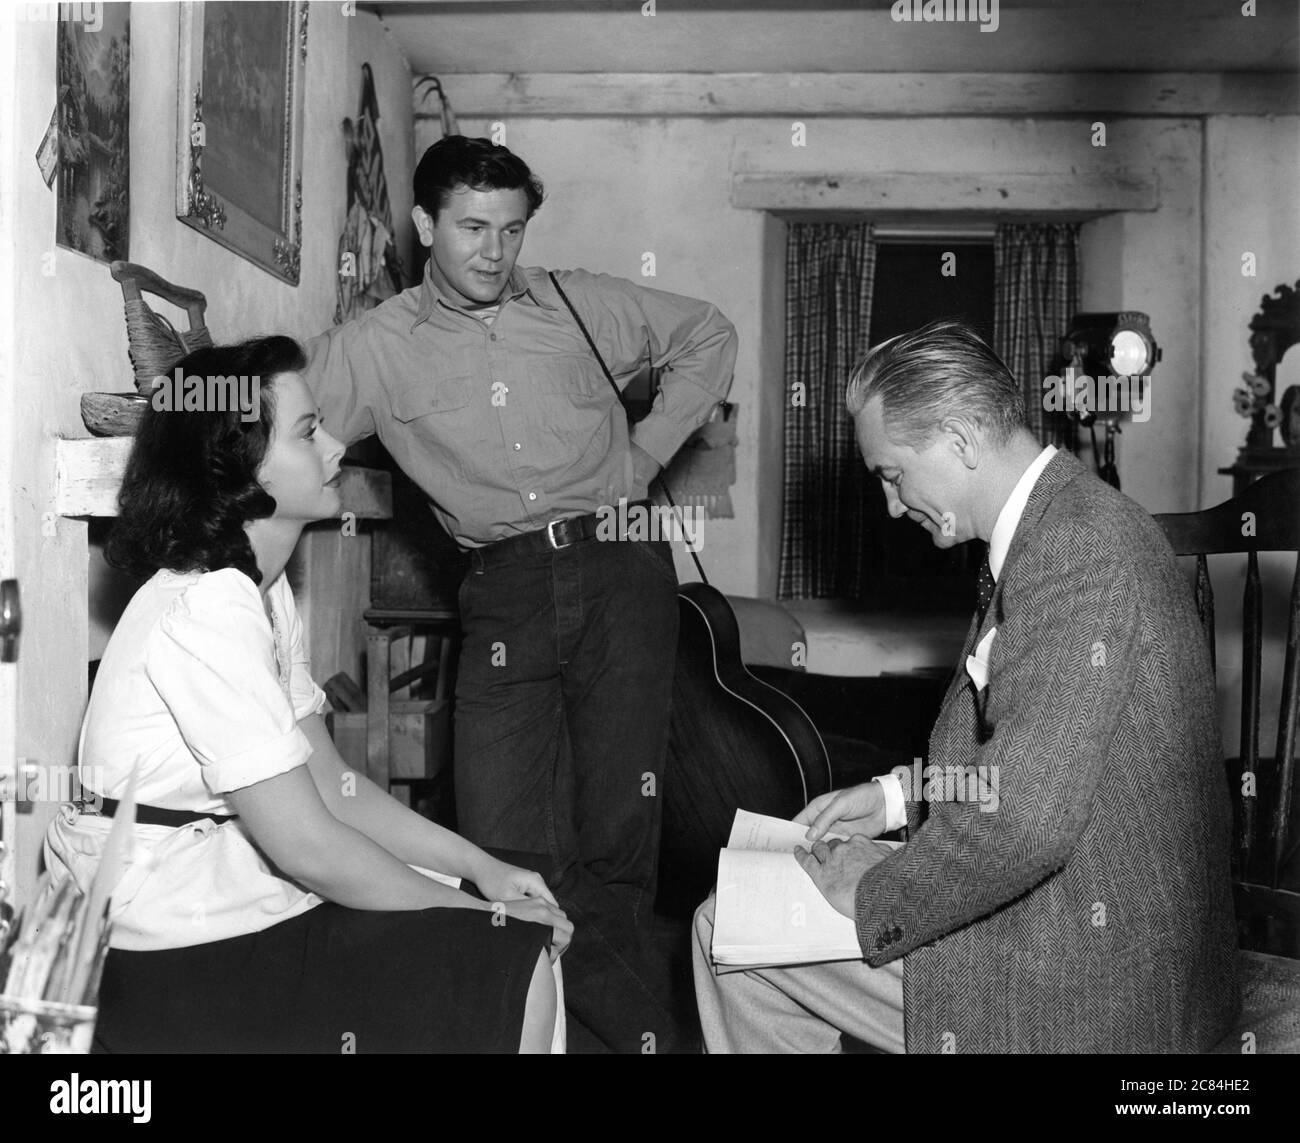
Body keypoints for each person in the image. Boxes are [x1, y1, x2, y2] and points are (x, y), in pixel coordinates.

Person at [692, 319, 1240, 1053]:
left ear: (958, 439)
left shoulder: (1076, 547)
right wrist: (892, 798)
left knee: (723, 923)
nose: (891, 503)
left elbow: (1025, 822)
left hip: (1094, 980)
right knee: (744, 914)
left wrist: (871, 890)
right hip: (1069, 911)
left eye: (892, 474)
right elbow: (1032, 763)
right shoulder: (1054, 525)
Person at [305, 136, 737, 1051]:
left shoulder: (577, 300)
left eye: (511, 228)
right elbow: (290, 441)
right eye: (471, 228)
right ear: (423, 226)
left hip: (623, 571)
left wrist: (649, 451)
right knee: (503, 844)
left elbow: (709, 334)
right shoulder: (371, 349)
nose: (495, 251)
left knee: (618, 836)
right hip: (502, 591)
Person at [44, 337, 572, 1053]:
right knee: (507, 959)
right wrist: (479, 909)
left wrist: (480, 867)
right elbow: (309, 845)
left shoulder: (260, 591)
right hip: (148, 939)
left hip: (213, 886)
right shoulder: (206, 605)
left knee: (509, 932)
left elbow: (335, 788)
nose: (333, 446)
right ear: (238, 465)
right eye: (307, 431)